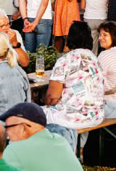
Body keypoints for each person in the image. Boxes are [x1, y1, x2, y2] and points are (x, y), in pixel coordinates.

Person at [44, 21, 106, 149]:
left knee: (36, 113)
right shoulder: (95, 60)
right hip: (96, 115)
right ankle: (80, 149)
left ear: (69, 38)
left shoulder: (65, 60)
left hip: (73, 118)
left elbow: (52, 97)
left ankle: (55, 150)